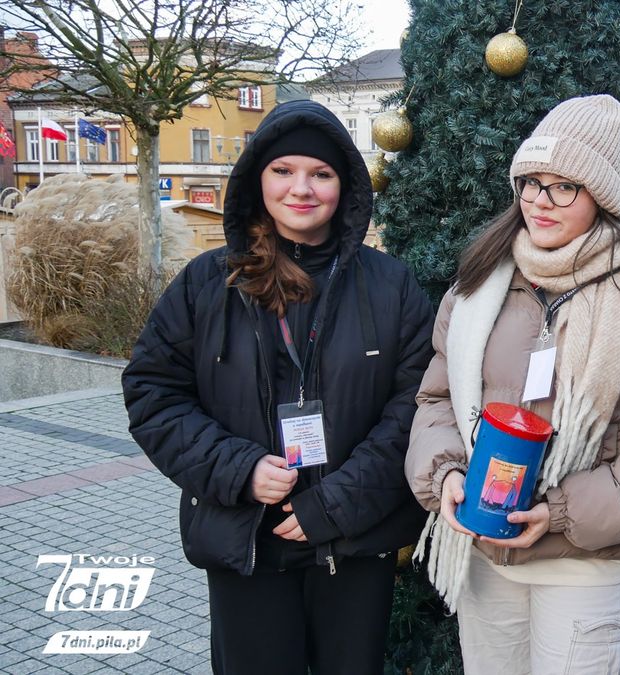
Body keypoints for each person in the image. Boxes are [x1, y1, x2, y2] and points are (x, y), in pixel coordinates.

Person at [405, 94, 620, 674]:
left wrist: (562, 513)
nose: (540, 202)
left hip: (583, 564)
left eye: (563, 186)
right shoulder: (475, 292)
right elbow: (437, 401)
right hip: (482, 555)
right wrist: (444, 472)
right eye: (531, 182)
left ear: (600, 196)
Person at [123, 100, 435, 674]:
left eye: (321, 174)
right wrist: (238, 468)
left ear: (345, 186)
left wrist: (335, 504)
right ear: (256, 179)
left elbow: (417, 408)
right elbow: (153, 394)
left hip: (352, 543)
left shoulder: (391, 286)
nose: (302, 188)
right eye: (283, 171)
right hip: (246, 540)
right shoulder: (207, 284)